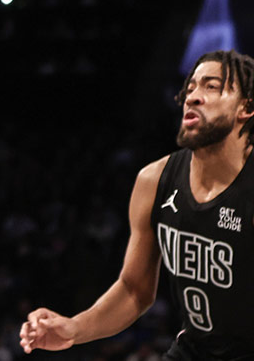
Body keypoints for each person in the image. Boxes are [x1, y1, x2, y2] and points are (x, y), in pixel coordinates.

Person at [21, 50, 254, 359]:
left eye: (211, 86)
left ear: (245, 108)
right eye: (191, 86)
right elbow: (134, 290)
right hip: (194, 350)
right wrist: (74, 328)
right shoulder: (154, 180)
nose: (193, 96)